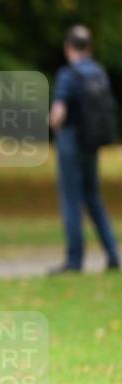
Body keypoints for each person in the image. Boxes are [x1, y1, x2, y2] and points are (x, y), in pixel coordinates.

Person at [48, 24, 120, 274]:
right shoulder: (99, 73)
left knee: (71, 201)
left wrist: (52, 123)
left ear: (68, 47)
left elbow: (59, 113)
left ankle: (74, 260)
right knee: (94, 199)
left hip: (71, 141)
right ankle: (113, 254)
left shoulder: (68, 75)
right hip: (92, 142)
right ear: (89, 47)